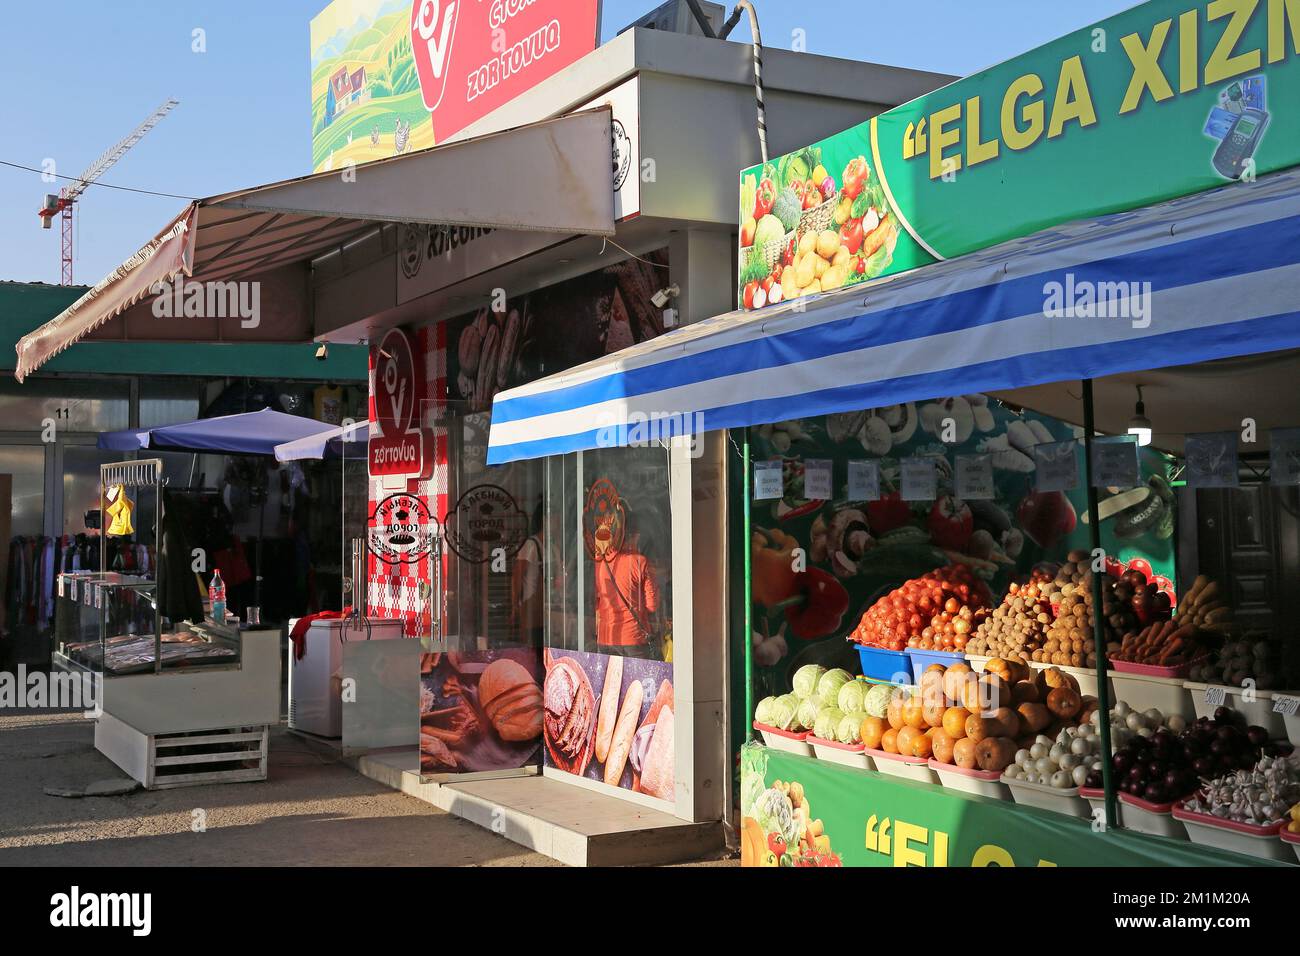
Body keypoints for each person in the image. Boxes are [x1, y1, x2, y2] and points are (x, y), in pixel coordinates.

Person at [591, 508, 660, 659]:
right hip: (633, 638)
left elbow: (596, 599)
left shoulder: (600, 561)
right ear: (634, 535)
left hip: (605, 637)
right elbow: (652, 605)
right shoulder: (640, 562)